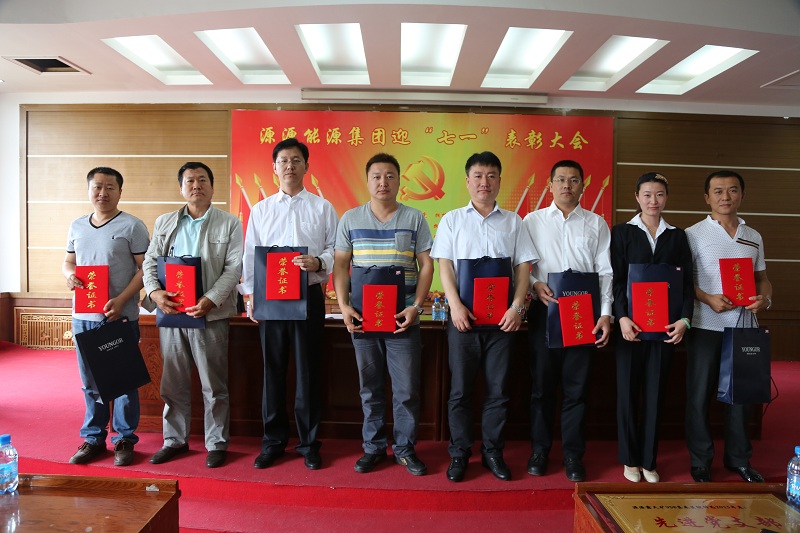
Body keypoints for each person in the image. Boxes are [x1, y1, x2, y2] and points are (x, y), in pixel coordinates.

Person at [430, 151, 536, 482]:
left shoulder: (514, 221)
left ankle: (493, 452)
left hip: (503, 323)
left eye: (491, 176)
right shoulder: (452, 220)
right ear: (467, 181)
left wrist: (517, 307)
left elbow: (523, 268)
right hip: (464, 321)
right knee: (460, 391)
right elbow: (444, 265)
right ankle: (460, 453)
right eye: (478, 175)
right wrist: (455, 305)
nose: (484, 182)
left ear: (499, 181)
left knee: (498, 392)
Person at [333, 153, 434, 476]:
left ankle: (404, 449)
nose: (383, 182)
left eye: (390, 176)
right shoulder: (350, 218)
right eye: (376, 176)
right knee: (370, 388)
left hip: (402, 319)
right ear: (367, 181)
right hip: (364, 318)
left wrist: (416, 307)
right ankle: (374, 448)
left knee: (406, 390)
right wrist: (344, 306)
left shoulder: (415, 218)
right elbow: (340, 265)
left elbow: (427, 265)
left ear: (399, 180)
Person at [242, 138, 337, 471]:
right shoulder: (261, 209)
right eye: (283, 161)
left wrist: (319, 262)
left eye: (296, 160)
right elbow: (250, 254)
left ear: (306, 166)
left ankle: (308, 443)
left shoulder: (323, 207)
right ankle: (273, 442)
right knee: (273, 371)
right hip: (270, 298)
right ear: (274, 168)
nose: (290, 166)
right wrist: (250, 295)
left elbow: (335, 249)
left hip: (308, 296)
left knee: (308, 371)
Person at [142, 162, 243, 469]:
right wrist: (155, 292)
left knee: (214, 384)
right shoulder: (165, 221)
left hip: (209, 314)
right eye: (189, 181)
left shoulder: (229, 223)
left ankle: (217, 442)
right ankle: (174, 440)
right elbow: (150, 261)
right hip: (172, 312)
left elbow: (233, 268)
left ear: (212, 187)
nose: (196, 185)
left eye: (202, 180)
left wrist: (211, 299)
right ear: (181, 188)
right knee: (172, 382)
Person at [522, 160, 613, 483]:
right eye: (560, 179)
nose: (566, 185)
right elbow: (521, 265)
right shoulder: (531, 221)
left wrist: (605, 313)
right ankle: (540, 451)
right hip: (545, 311)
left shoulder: (596, 224)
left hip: (582, 314)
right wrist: (535, 284)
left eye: (573, 180)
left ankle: (573, 455)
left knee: (577, 389)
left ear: (582, 186)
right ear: (550, 185)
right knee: (542, 388)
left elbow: (605, 272)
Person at [685, 170, 772, 483]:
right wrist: (707, 298)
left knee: (742, 395)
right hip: (705, 325)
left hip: (744, 326)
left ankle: (739, 459)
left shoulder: (753, 236)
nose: (725, 197)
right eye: (718, 191)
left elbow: (762, 279)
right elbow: (684, 281)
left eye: (733, 190)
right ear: (707, 197)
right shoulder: (692, 234)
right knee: (699, 396)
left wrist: (765, 299)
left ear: (742, 196)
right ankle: (701, 461)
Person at [63, 167, 150, 467]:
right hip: (83, 315)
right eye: (97, 187)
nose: (103, 193)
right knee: (90, 381)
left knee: (124, 380)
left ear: (120, 191)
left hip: (119, 316)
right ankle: (93, 438)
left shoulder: (132, 226)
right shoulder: (77, 225)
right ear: (89, 190)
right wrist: (69, 275)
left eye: (110, 187)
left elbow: (146, 269)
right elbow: (68, 261)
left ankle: (124, 439)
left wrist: (123, 300)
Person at [610, 172, 693, 483]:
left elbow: (687, 283)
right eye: (647, 194)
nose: (653, 201)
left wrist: (685, 320)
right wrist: (621, 317)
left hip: (665, 330)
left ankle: (648, 460)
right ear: (637, 197)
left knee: (656, 395)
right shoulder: (622, 233)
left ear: (666, 198)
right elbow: (616, 280)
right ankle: (630, 460)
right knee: (628, 395)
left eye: (659, 194)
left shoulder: (677, 236)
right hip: (631, 329)